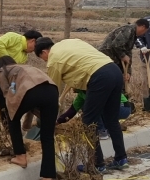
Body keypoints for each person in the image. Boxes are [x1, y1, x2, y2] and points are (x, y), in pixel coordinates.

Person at [35, 37, 128, 172]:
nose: (44, 61)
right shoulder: (69, 42)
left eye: (42, 58)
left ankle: (96, 164)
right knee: (111, 120)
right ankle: (121, 158)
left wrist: (47, 115)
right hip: (114, 70)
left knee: (88, 122)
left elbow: (52, 91)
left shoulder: (53, 60)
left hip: (99, 77)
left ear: (44, 52)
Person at [0, 56, 58, 180]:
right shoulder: (25, 67)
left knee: (13, 119)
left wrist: (11, 113)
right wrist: (27, 125)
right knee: (47, 137)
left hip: (31, 91)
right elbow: (31, 102)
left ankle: (20, 156)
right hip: (52, 90)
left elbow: (8, 94)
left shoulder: (1, 71)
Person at [0, 30, 42, 139]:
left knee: (5, 103)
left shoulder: (24, 57)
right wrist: (8, 61)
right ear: (32, 41)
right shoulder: (13, 37)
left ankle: (9, 130)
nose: (33, 51)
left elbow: (14, 74)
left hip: (1, 78)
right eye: (35, 47)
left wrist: (13, 90)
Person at [56, 90, 133, 140]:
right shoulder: (81, 95)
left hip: (122, 108)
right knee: (88, 106)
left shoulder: (93, 89)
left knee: (90, 107)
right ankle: (108, 129)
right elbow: (72, 111)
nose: (72, 89)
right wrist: (58, 121)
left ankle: (102, 131)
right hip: (115, 108)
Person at [97, 19, 150, 85]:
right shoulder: (128, 30)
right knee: (109, 81)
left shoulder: (133, 34)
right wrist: (122, 55)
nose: (144, 34)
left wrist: (128, 72)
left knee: (122, 79)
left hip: (115, 59)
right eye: (145, 31)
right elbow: (116, 45)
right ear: (143, 27)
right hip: (106, 58)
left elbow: (128, 52)